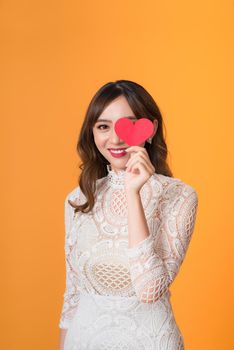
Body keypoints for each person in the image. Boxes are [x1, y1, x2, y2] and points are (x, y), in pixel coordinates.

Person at [58, 80, 199, 350]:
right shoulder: (78, 199)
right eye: (103, 126)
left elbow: (149, 290)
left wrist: (133, 193)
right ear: (92, 132)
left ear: (150, 129)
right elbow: (72, 295)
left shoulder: (179, 196)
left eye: (127, 125)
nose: (115, 138)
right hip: (84, 341)